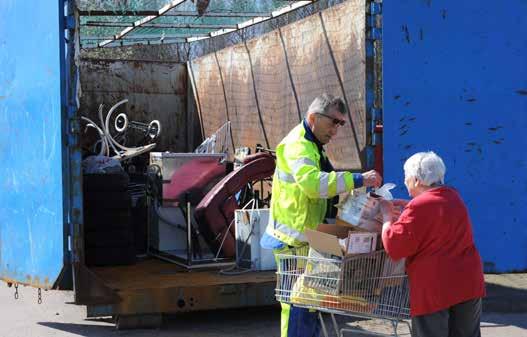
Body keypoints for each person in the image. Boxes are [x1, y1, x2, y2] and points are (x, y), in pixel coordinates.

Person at [260, 93, 382, 337]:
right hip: (292, 240)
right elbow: (314, 184)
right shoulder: (299, 145)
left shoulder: (314, 146)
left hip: (307, 237)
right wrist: (358, 179)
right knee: (298, 302)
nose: (336, 130)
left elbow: (328, 187)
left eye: (341, 124)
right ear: (314, 117)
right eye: (334, 122)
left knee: (309, 301)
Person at [379, 151, 485, 337]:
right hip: (468, 282)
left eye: (407, 177)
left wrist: (387, 216)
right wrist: (410, 208)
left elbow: (394, 245)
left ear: (418, 180)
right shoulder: (453, 197)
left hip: (435, 287)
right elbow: (434, 221)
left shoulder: (419, 206)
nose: (405, 182)